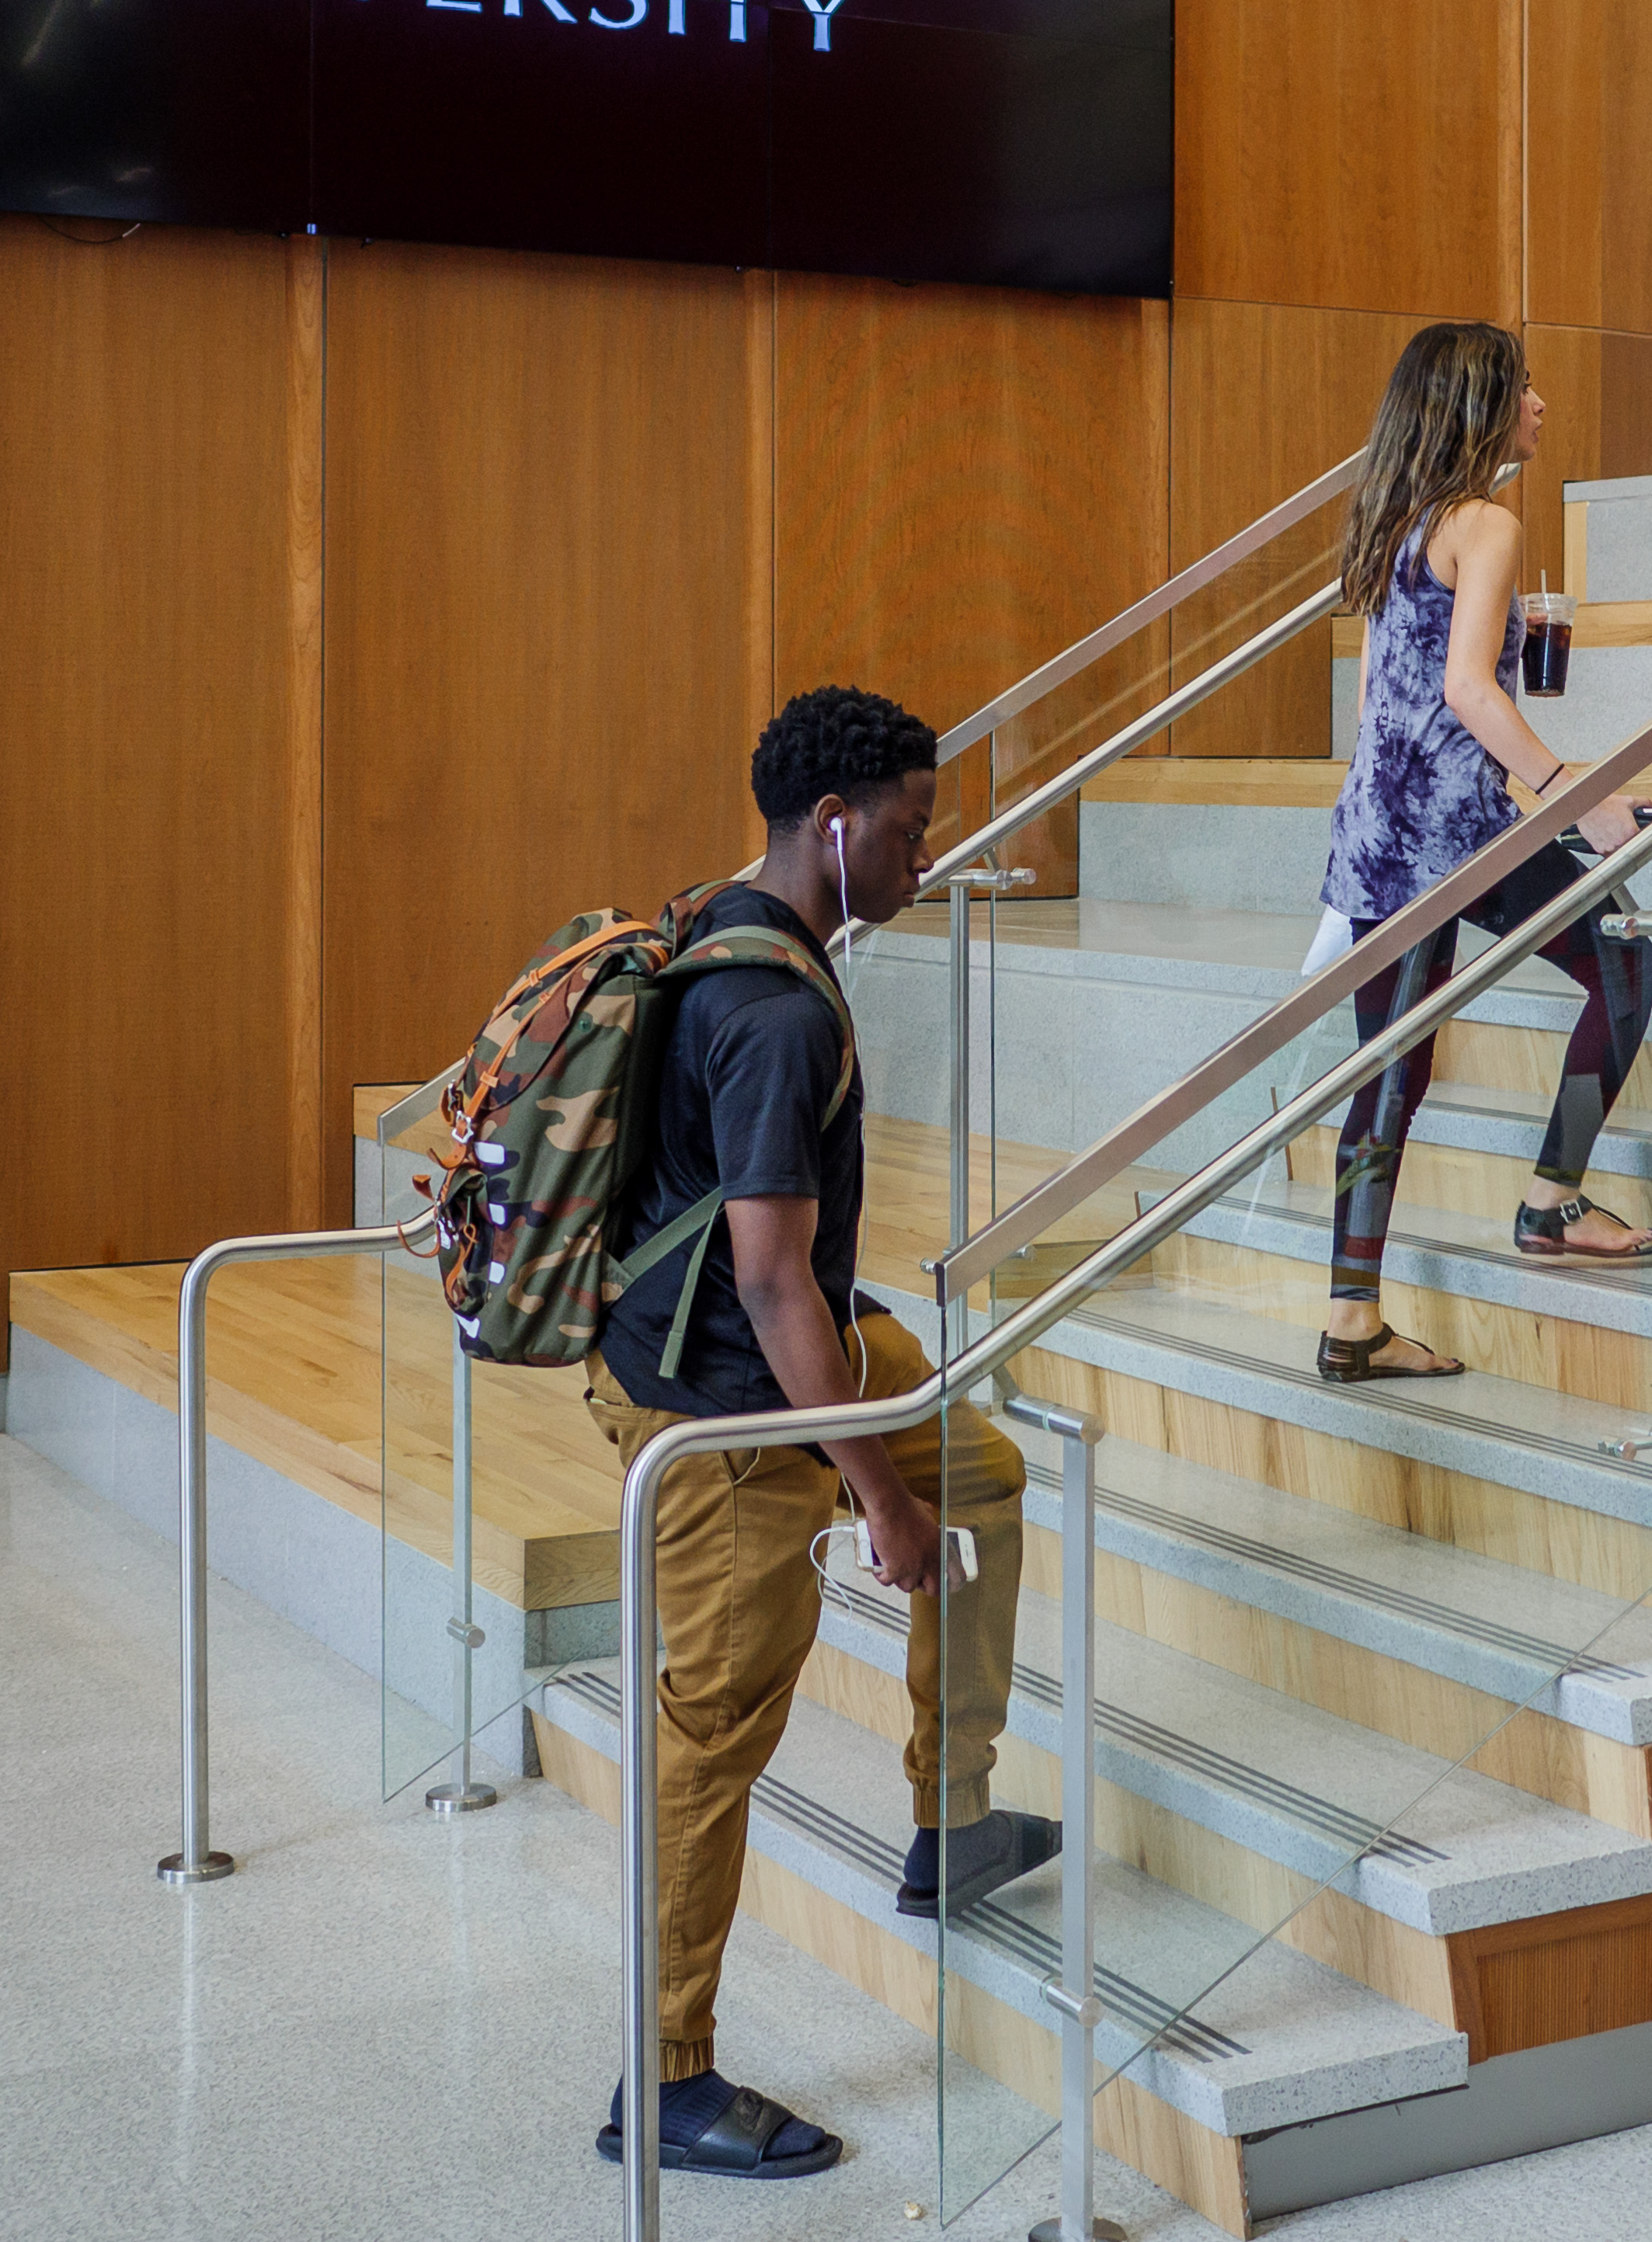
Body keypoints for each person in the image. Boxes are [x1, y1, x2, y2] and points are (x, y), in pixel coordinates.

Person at [583, 683, 1045, 2183]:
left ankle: (947, 1814)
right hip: (719, 1410)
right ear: (831, 826)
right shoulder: (772, 1010)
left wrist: (910, 1468)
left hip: (784, 1350)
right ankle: (662, 2077)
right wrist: (878, 1503)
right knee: (710, 1737)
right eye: (910, 830)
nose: (928, 853)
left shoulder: (741, 921)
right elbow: (770, 1281)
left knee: (986, 1466)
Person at [1317, 321, 1652, 1385]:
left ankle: (1351, 1317)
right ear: (1479, 407)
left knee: (1391, 1072)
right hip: (1451, 837)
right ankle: (1551, 1199)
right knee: (1624, 961)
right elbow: (1469, 689)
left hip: (1381, 826)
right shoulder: (1486, 524)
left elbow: (1384, 698)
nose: (1541, 404)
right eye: (1524, 388)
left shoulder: (1391, 519)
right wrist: (1579, 801)